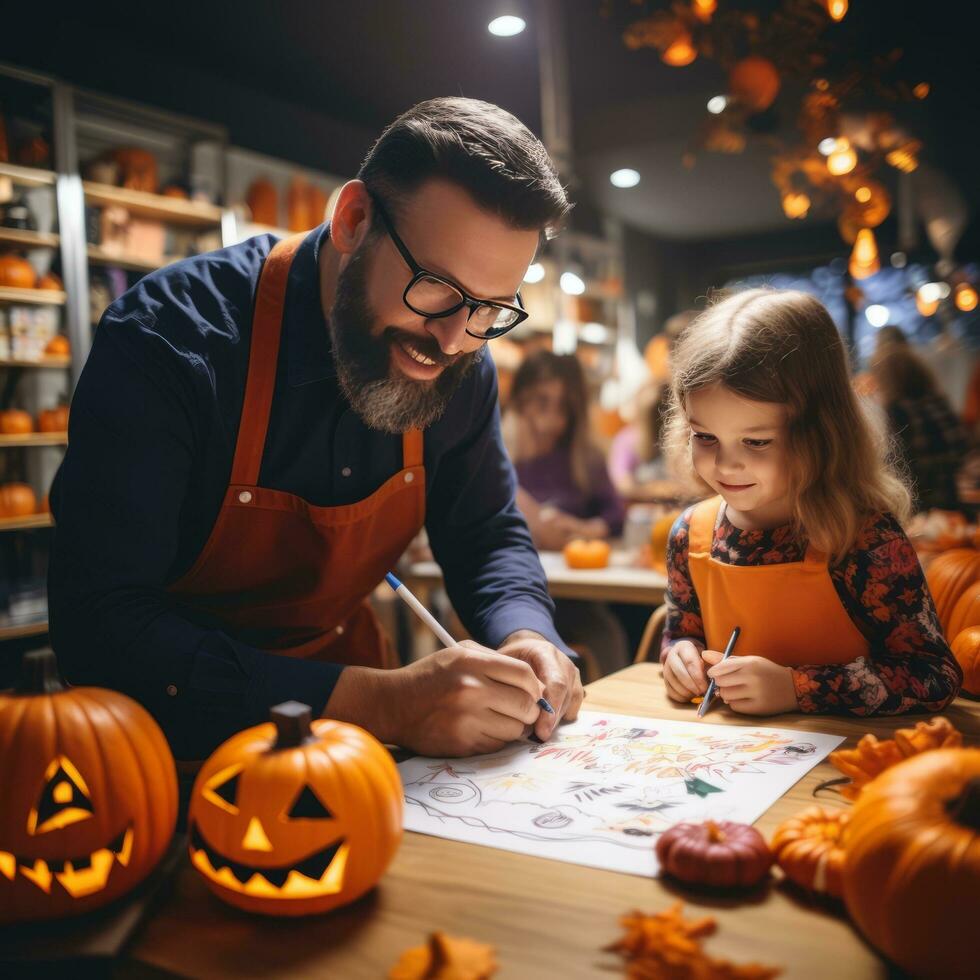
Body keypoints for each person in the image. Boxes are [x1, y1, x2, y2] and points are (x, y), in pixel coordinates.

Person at [48, 97, 584, 761]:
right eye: (437, 288)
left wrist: (527, 636)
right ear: (354, 220)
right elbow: (100, 624)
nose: (453, 339)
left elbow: (483, 531)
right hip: (159, 748)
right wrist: (386, 702)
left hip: (355, 745)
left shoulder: (462, 359)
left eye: (490, 308)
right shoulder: (171, 342)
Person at [659, 289, 962, 716]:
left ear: (820, 434)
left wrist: (795, 687)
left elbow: (934, 674)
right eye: (704, 436)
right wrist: (679, 658)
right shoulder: (690, 535)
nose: (726, 464)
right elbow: (681, 635)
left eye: (757, 441)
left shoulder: (862, 538)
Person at [503, 350, 629, 675]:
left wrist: (584, 529)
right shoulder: (497, 452)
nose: (552, 419)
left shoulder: (583, 456)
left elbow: (615, 515)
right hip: (510, 591)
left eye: (563, 407)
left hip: (573, 597)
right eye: (541, 402)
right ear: (519, 399)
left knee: (606, 636)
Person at [869, 330, 969, 513]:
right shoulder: (938, 403)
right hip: (952, 499)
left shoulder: (897, 412)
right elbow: (963, 448)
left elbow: (896, 468)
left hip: (919, 508)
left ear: (887, 380)